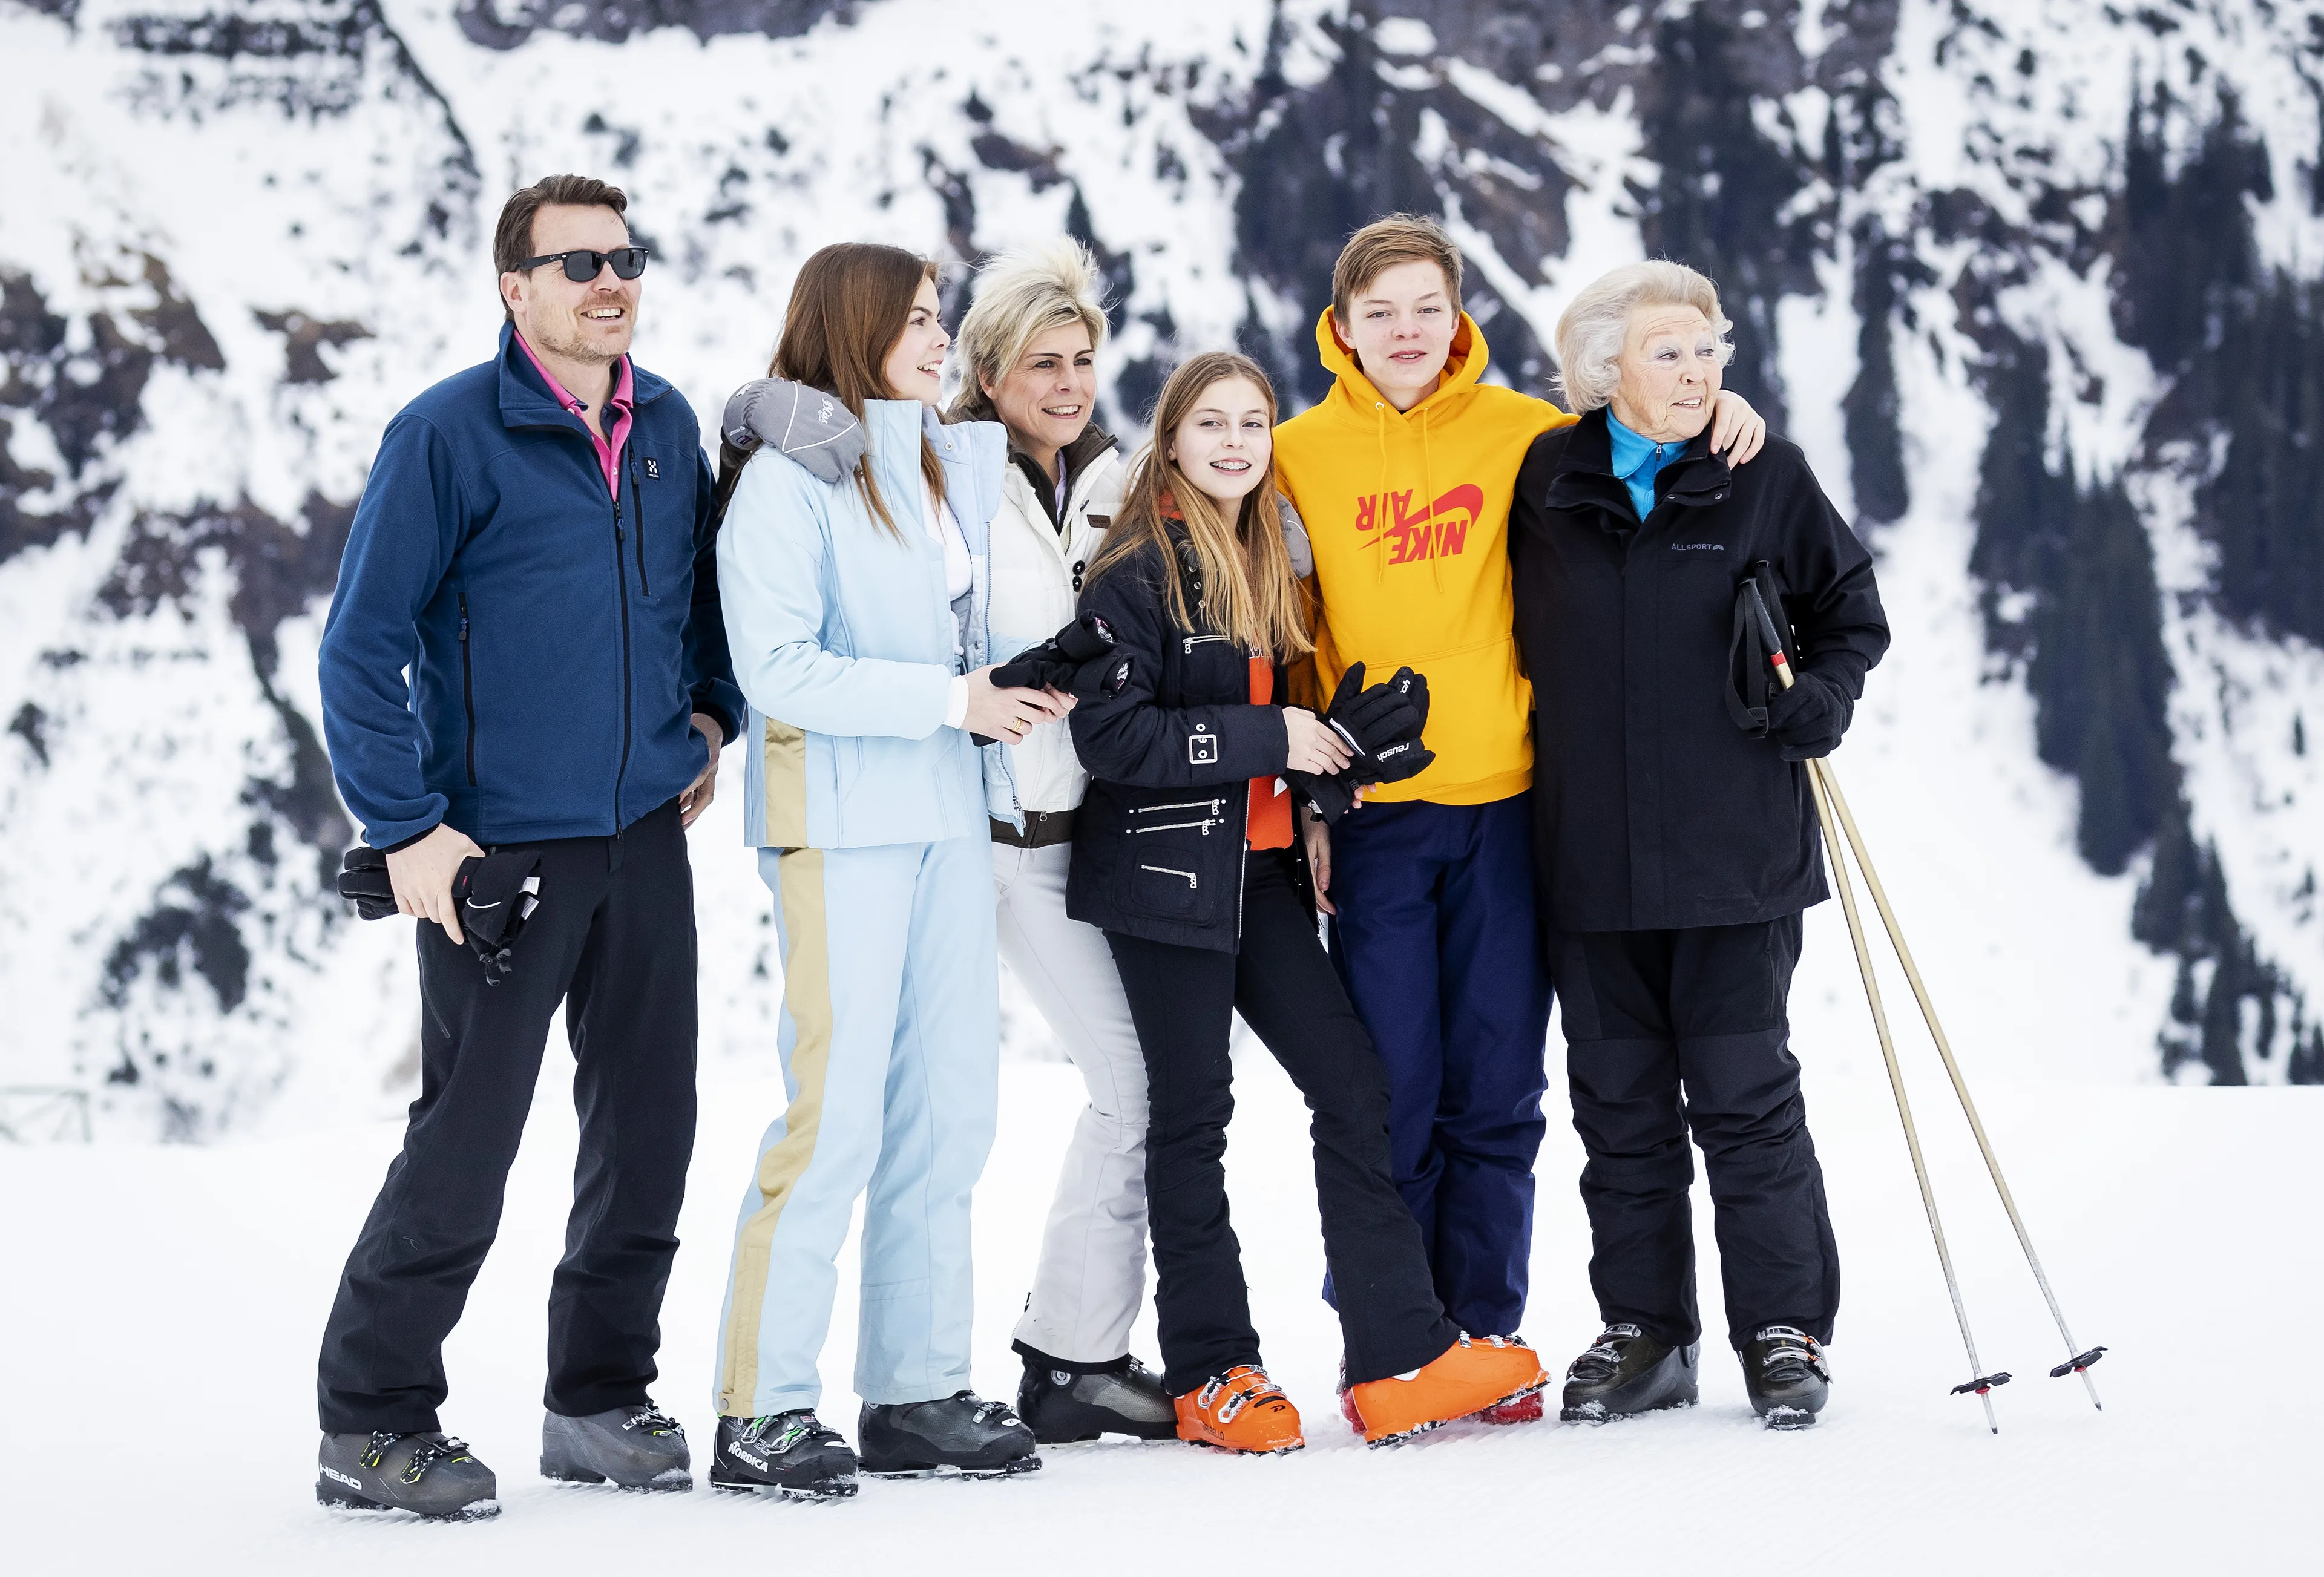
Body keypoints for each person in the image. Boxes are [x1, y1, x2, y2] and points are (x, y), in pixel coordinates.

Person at [1271, 216, 1767, 1417]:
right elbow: (1280, 628)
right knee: (1391, 1093)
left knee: (1498, 1091)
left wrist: (1728, 416)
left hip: (1512, 814)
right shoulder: (1294, 454)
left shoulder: (1525, 434)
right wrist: (1314, 802)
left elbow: (1653, 449)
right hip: (1380, 818)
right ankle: (1392, 1341)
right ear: (1342, 325)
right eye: (1381, 310)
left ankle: (1483, 1334)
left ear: (1458, 318)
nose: (1405, 330)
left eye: (1427, 308)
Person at [313, 174, 744, 1518]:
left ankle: (600, 1397)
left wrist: (713, 718)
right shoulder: (448, 435)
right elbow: (358, 649)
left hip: (642, 840)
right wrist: (409, 834)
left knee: (648, 1129)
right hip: (496, 856)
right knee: (468, 1138)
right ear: (516, 289)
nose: (608, 282)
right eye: (576, 265)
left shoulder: (665, 423)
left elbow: (701, 605)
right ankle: (373, 1422)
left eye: (623, 258)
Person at [1068, 350, 1550, 1454]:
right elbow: (1114, 736)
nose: (1236, 443)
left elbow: (1282, 733)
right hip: (1162, 878)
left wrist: (1331, 776)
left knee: (1356, 1083)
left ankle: (1398, 1356)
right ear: (1172, 440)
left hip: (1261, 868)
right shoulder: (1136, 570)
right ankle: (1213, 1370)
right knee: (1193, 1120)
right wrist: (1271, 737)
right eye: (1211, 424)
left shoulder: (1267, 558)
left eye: (1253, 423)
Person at [706, 242, 1063, 1500]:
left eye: (939, 313)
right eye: (916, 317)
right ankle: (762, 1408)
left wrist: (1029, 676)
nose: (939, 332)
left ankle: (913, 1388)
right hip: (842, 823)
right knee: (836, 1113)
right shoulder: (785, 489)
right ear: (854, 327)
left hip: (949, 814)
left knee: (949, 1109)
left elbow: (962, 640)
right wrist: (952, 699)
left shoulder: (932, 461)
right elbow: (779, 671)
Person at [1508, 260, 1889, 1429]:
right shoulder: (1544, 475)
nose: (1699, 370)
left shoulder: (1762, 472)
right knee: (1618, 1109)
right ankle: (1647, 1333)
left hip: (1735, 857)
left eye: (1710, 348)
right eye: (1669, 350)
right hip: (1588, 857)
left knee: (1744, 1099)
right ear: (1605, 368)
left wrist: (1821, 697)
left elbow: (1851, 615)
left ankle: (1784, 1330)